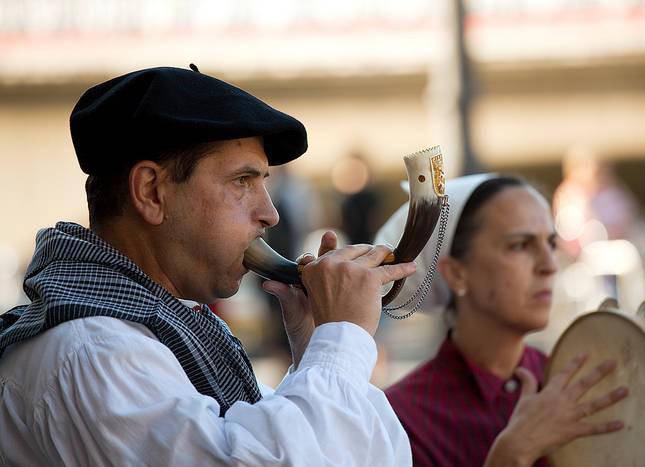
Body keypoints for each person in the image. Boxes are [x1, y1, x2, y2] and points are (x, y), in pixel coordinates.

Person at [0, 66, 416, 465]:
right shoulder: (95, 349)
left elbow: (375, 456)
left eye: (264, 184)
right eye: (241, 182)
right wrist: (340, 341)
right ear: (151, 192)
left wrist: (315, 348)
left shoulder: (159, 327)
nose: (270, 213)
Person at [376, 174, 628, 467]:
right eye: (520, 245)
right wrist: (512, 455)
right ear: (457, 273)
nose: (549, 266)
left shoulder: (575, 384)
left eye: (551, 244)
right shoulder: (402, 420)